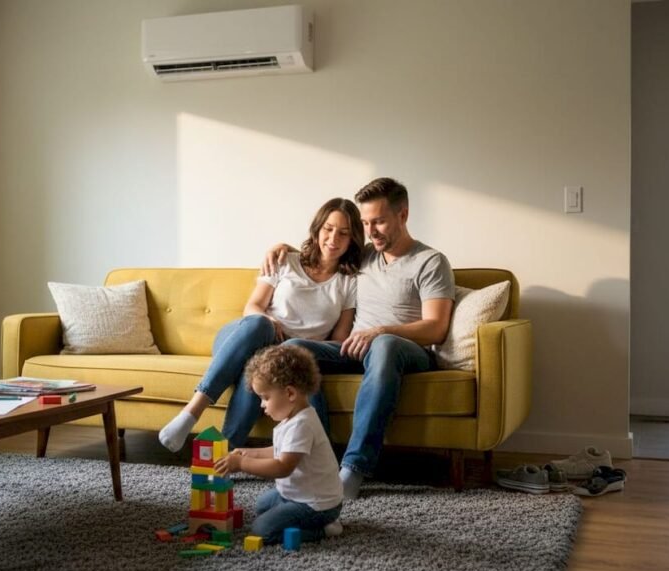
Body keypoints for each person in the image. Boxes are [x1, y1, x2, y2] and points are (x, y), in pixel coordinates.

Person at [263, 177, 455, 499]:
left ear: (403, 215)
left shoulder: (431, 262)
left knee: (384, 345)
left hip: (406, 352)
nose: (371, 231)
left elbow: (436, 327)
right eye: (365, 223)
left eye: (378, 221)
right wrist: (283, 248)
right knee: (293, 349)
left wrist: (382, 330)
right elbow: (323, 250)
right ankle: (319, 458)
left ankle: (354, 468)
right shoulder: (364, 256)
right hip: (355, 349)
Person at [158, 197, 364, 452]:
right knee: (260, 325)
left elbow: (339, 339)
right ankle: (193, 410)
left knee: (264, 363)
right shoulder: (285, 261)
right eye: (328, 229)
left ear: (353, 238)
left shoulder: (349, 281)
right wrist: (269, 319)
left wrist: (295, 351)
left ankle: (224, 455)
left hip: (287, 353)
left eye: (343, 233)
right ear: (318, 228)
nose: (333, 238)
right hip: (243, 336)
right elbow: (252, 307)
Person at [214, 345, 344, 542]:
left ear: (290, 393)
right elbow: (279, 451)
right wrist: (248, 453)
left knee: (261, 530)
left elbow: (282, 466)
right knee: (262, 506)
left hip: (316, 504)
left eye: (266, 398)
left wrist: (241, 464)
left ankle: (325, 529)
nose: (262, 405)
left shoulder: (302, 424)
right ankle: (297, 516)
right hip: (295, 495)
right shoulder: (292, 417)